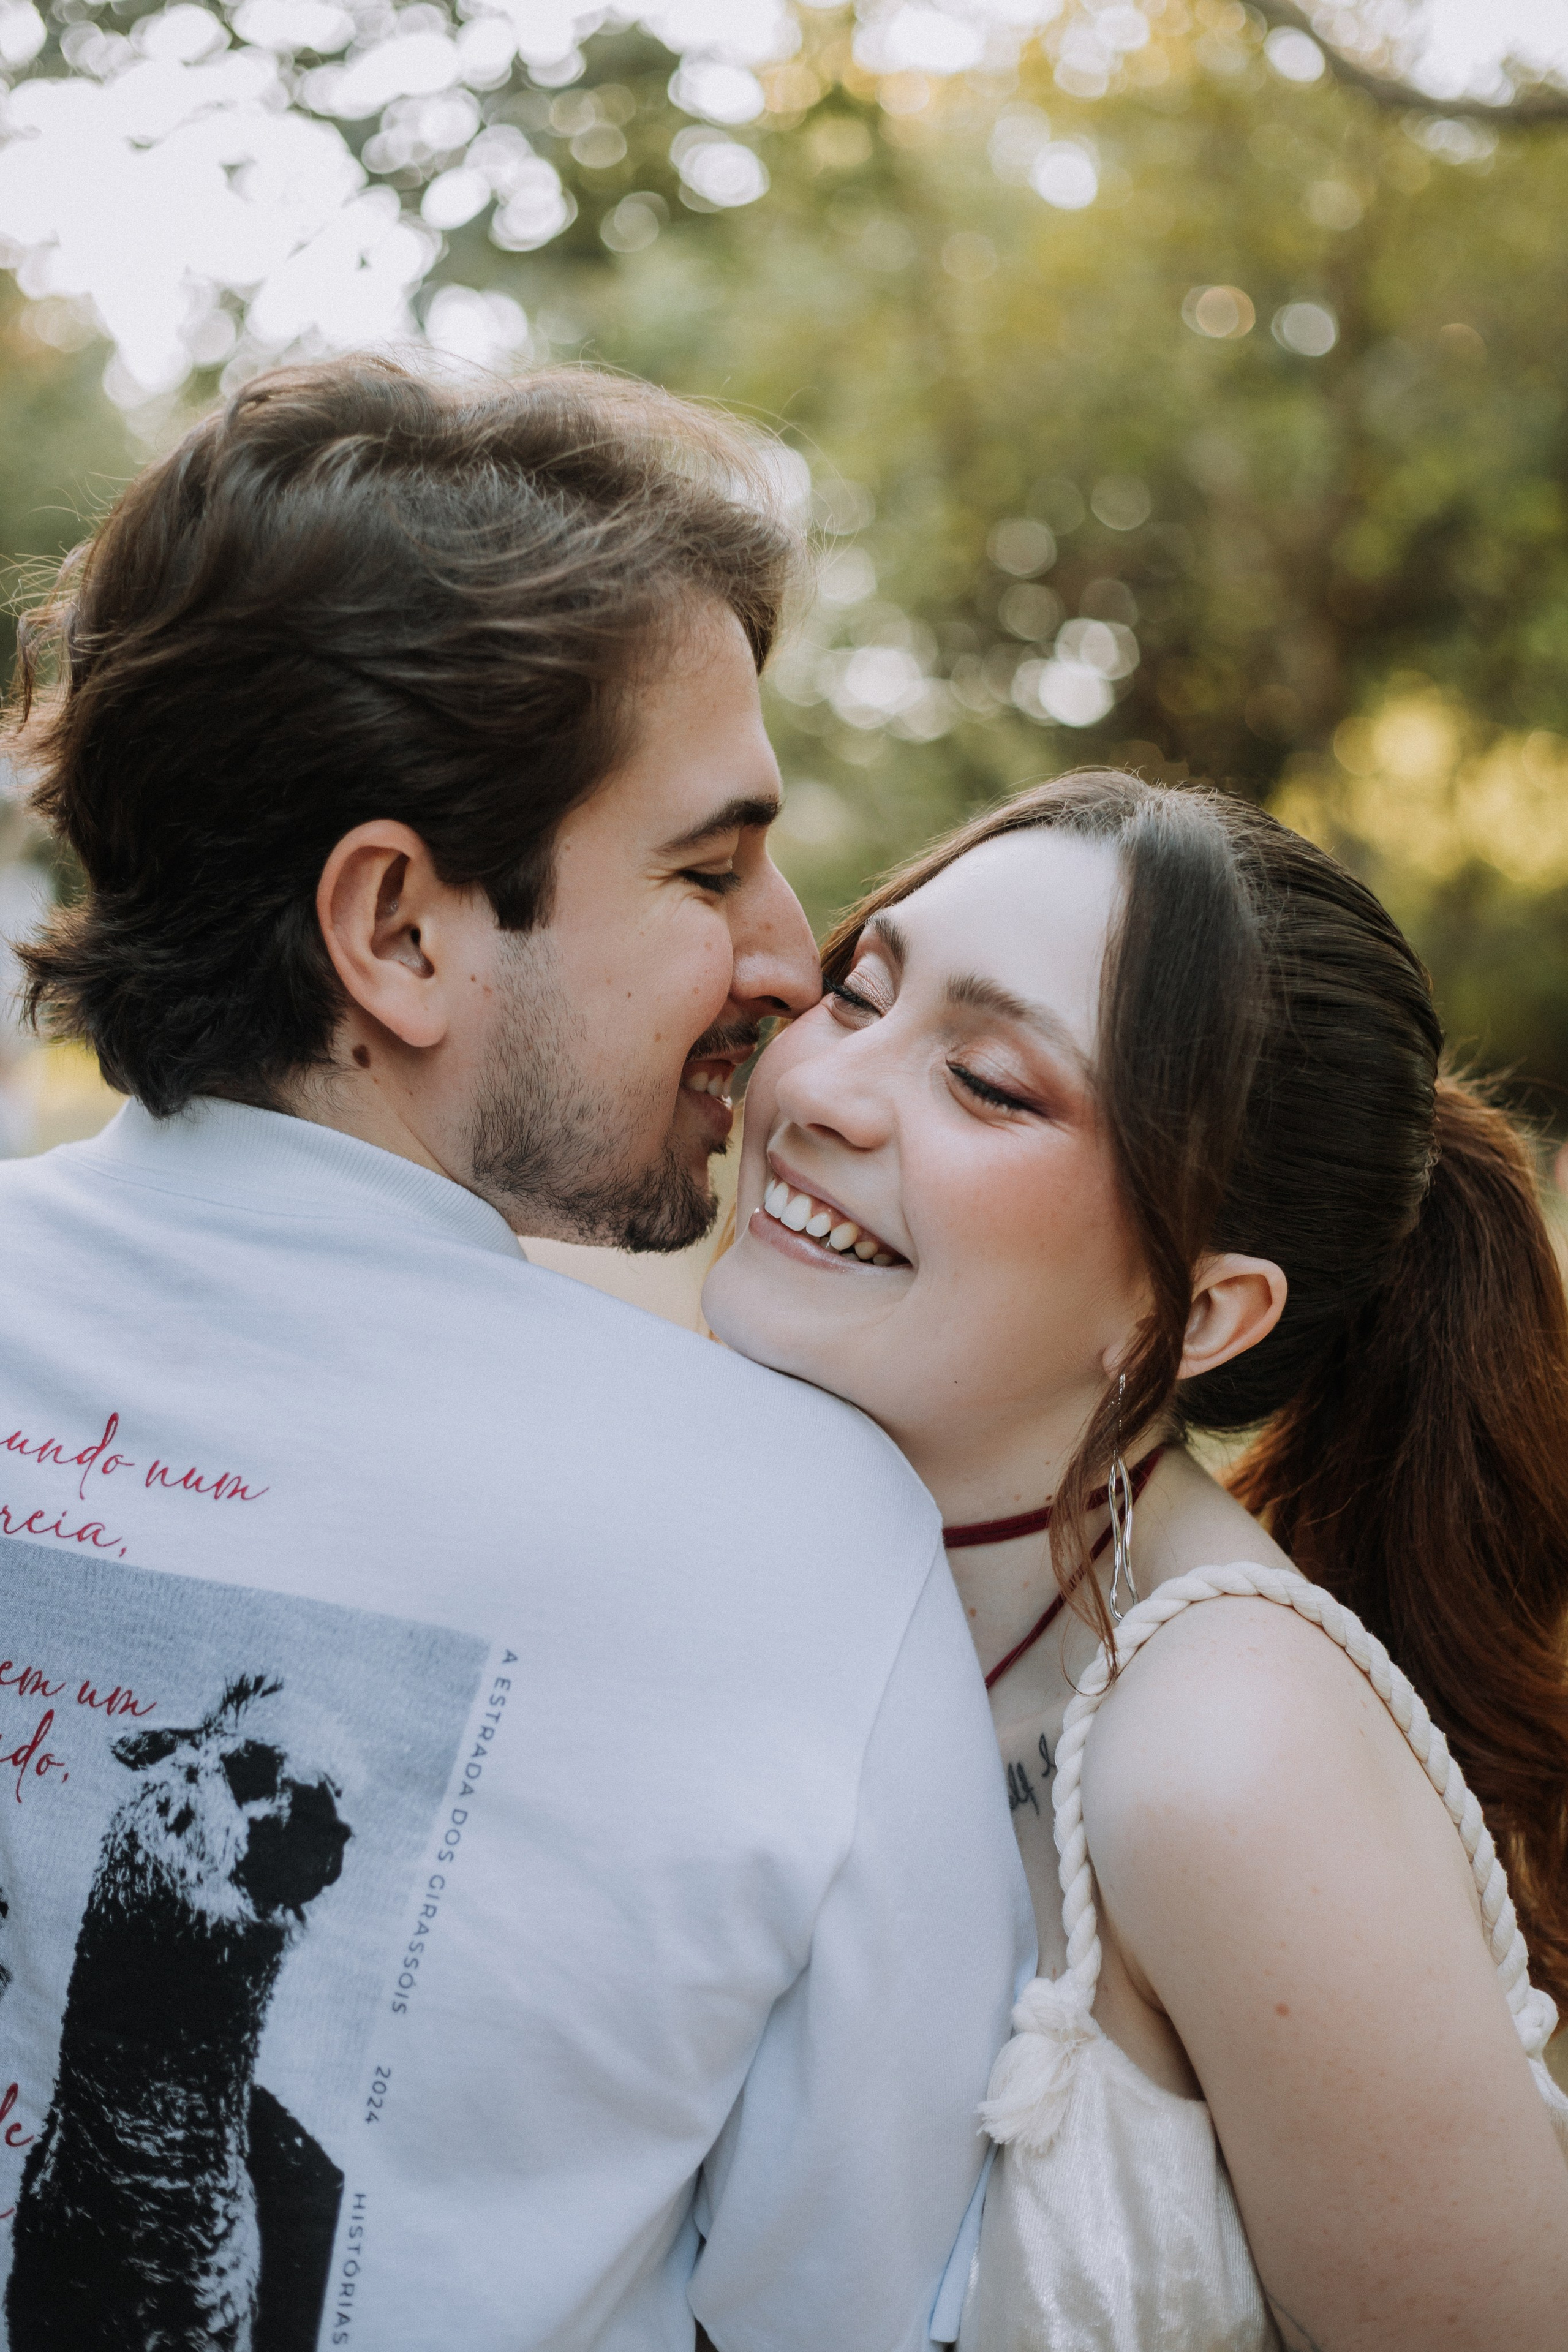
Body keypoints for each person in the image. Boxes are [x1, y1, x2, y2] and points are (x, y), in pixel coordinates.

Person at [0, 358, 1034, 2352]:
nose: (792, 957)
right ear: (396, 929)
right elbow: (865, 2305)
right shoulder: (797, 1544)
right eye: (710, 866)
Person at [703, 769, 1568, 2352]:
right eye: (857, 991)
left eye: (988, 1082)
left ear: (1205, 1313)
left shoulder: (1224, 1757)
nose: (820, 1090)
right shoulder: (766, 1562)